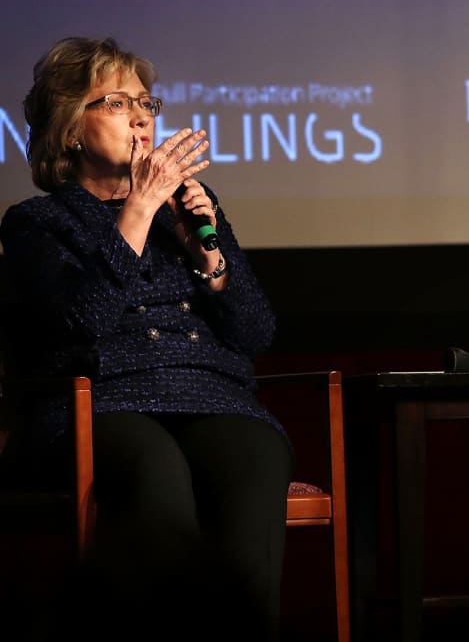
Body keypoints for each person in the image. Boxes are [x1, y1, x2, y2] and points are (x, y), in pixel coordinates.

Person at [0, 37, 292, 640]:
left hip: (208, 394)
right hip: (98, 402)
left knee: (257, 454)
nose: (140, 117)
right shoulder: (37, 222)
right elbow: (82, 324)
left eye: (146, 104)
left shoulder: (190, 210)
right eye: (114, 102)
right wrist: (137, 209)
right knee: (154, 465)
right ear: (69, 130)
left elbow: (255, 332)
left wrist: (204, 251)